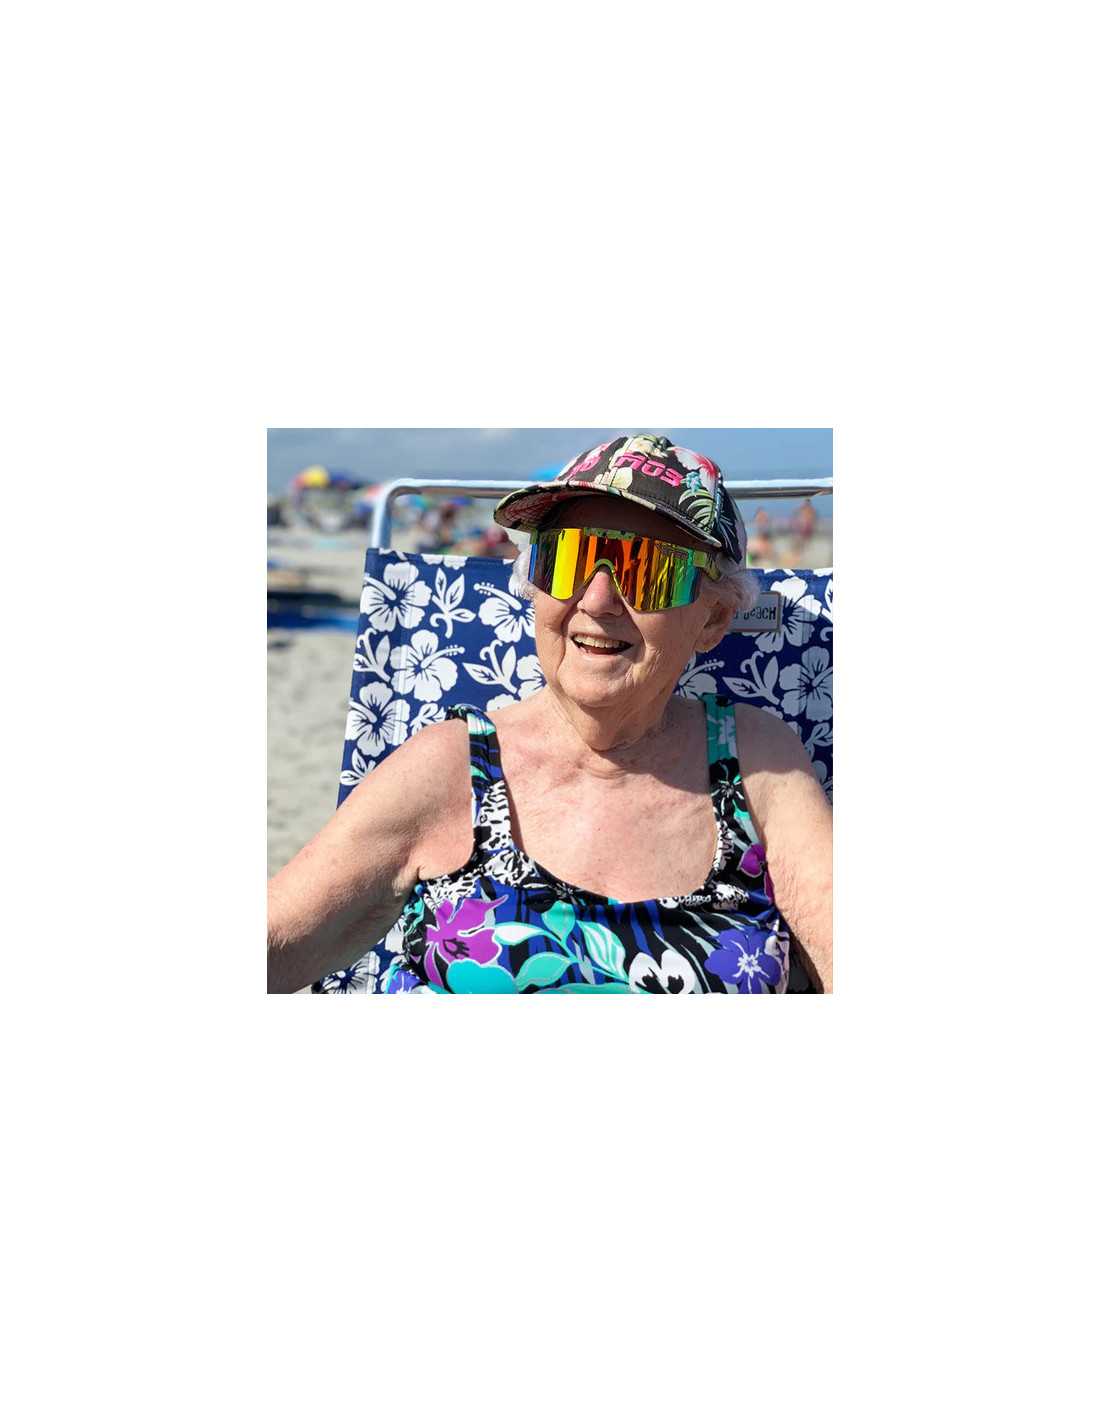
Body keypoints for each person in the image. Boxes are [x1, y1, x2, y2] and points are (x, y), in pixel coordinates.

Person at [268, 433, 833, 994]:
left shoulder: (758, 765)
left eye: (647, 570)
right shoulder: (450, 767)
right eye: (569, 559)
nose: (597, 600)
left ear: (713, 619)